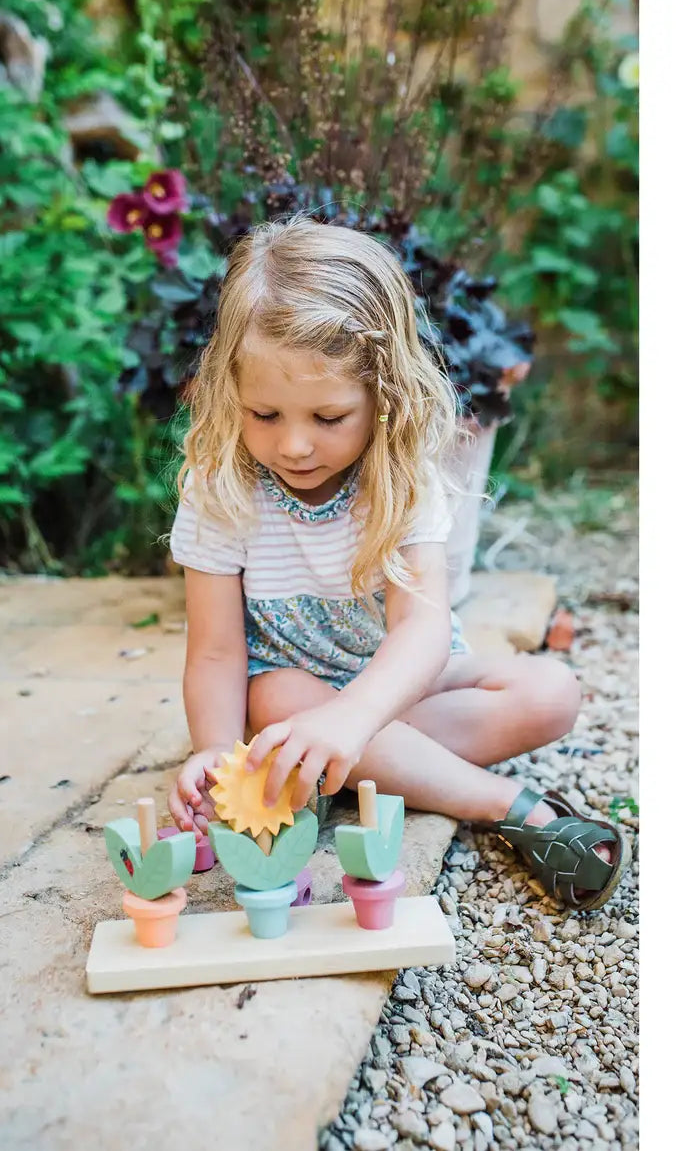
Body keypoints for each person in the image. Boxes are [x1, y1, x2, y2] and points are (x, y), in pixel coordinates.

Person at [165, 215, 629, 911]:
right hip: (290, 694)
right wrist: (216, 752)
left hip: (398, 685)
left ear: (382, 396)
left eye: (327, 418)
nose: (294, 445)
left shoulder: (403, 481)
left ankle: (333, 768)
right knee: (281, 700)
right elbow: (215, 654)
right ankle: (508, 806)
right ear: (230, 388)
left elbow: (422, 633)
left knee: (552, 692)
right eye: (265, 414)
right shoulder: (221, 488)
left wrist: (352, 723)